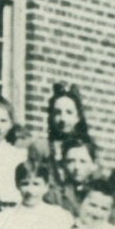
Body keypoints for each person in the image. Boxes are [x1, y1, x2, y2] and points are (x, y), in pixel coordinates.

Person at [35, 83, 95, 212]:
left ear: (77, 117)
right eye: (57, 113)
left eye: (69, 112)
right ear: (51, 116)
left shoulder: (86, 148)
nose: (63, 119)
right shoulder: (41, 148)